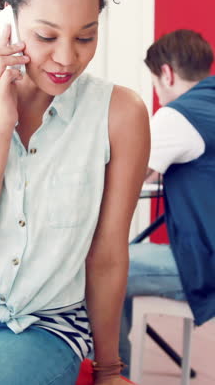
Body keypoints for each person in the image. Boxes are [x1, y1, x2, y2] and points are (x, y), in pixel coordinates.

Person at [0, 0, 150, 384]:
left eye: (86, 36)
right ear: (8, 16)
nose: (67, 58)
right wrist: (1, 127)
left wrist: (110, 369)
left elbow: (106, 255)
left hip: (45, 325)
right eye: (46, 36)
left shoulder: (120, 114)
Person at [119, 28, 215, 378]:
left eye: (156, 82)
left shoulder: (177, 116)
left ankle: (114, 374)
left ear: (167, 73)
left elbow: (127, 175)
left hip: (208, 260)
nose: (158, 92)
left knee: (100, 270)